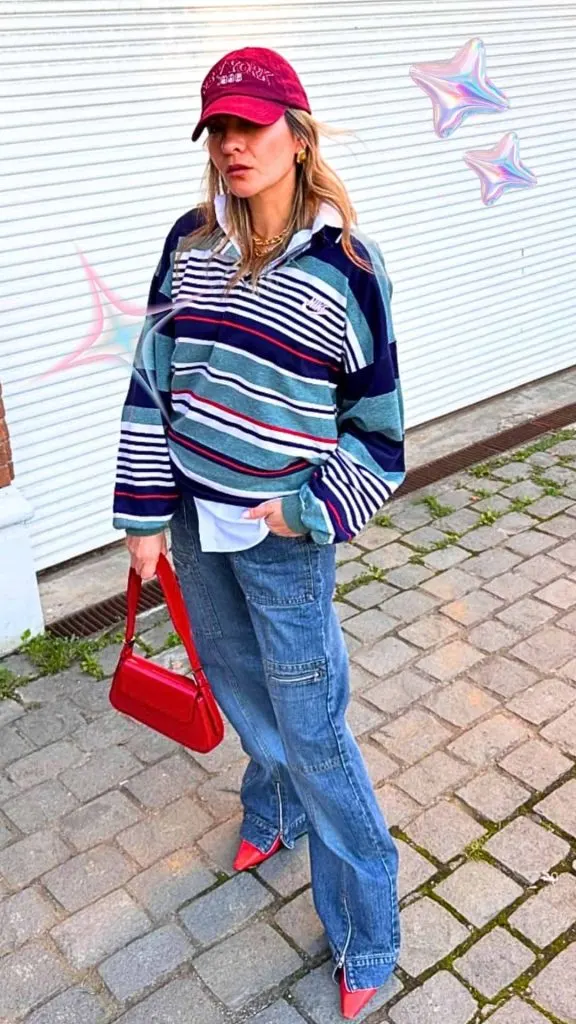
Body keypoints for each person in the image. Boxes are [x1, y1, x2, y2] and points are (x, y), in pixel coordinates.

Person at [113, 46, 405, 1020]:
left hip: (283, 542)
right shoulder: (189, 243)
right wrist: (145, 514)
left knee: (316, 733)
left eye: (253, 125)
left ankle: (367, 929)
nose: (235, 145)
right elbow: (151, 382)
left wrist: (308, 509)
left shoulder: (346, 269)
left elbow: (379, 437)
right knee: (241, 689)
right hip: (193, 525)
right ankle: (270, 807)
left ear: (297, 134)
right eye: (220, 129)